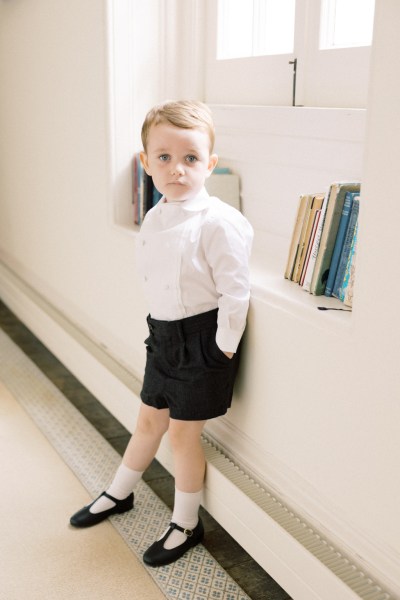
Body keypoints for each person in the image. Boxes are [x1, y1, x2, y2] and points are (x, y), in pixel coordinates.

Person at [69, 100, 253, 567]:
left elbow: (236, 292)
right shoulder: (156, 216)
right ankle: (119, 493)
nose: (177, 169)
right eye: (164, 157)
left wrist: (223, 348)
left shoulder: (218, 222)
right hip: (164, 337)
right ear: (147, 162)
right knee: (148, 421)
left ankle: (187, 523)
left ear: (209, 164)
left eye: (191, 158)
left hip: (203, 341)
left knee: (181, 437)